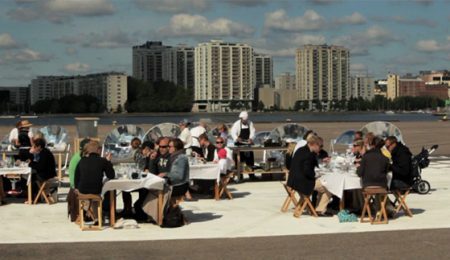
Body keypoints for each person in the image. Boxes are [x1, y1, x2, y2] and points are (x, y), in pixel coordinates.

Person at [287, 135, 332, 216]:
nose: (321, 148)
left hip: (293, 181)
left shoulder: (300, 150)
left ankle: (317, 208)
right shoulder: (309, 154)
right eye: (320, 146)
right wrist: (315, 175)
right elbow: (308, 172)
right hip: (303, 183)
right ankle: (319, 210)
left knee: (322, 185)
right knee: (329, 186)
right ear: (314, 144)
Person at [75, 141, 115, 221]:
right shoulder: (102, 161)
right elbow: (111, 176)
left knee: (87, 195)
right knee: (97, 194)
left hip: (82, 190)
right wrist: (108, 162)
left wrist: (76, 188)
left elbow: (77, 177)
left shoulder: (82, 161)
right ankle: (98, 218)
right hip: (96, 190)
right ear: (98, 150)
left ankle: (85, 213)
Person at [67, 138, 90, 222]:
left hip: (74, 185)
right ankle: (94, 213)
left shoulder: (78, 155)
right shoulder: (81, 158)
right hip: (77, 187)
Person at [231, 111, 256, 179]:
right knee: (239, 162)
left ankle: (251, 175)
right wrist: (237, 138)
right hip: (239, 145)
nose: (244, 121)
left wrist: (251, 138)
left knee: (250, 161)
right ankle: (240, 176)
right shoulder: (236, 124)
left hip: (247, 145)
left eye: (245, 120)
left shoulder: (250, 123)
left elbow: (253, 132)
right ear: (241, 118)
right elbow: (233, 132)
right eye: (243, 120)